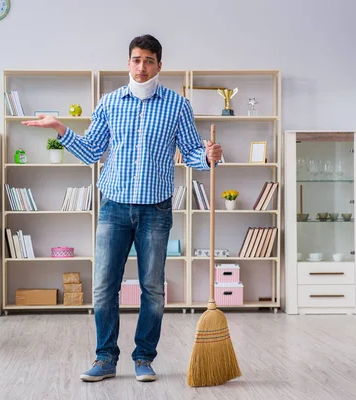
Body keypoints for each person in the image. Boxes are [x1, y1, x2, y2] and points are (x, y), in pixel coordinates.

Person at [22, 34, 222, 382]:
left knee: (153, 288)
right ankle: (105, 359)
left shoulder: (178, 105)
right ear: (128, 62)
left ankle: (144, 357)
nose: (141, 66)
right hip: (113, 206)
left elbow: (192, 153)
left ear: (159, 64)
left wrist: (207, 157)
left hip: (156, 210)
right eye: (135, 59)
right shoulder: (110, 102)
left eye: (148, 60)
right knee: (104, 286)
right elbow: (90, 152)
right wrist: (59, 127)